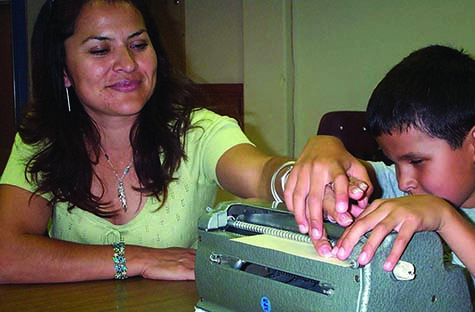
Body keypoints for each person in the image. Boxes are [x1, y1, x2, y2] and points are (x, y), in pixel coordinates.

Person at [0, 0, 357, 284]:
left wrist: (298, 175)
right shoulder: (40, 141)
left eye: (138, 44)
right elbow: (6, 255)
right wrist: (139, 258)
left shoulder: (198, 130)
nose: (127, 63)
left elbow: (261, 172)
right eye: (99, 50)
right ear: (63, 69)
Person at [286, 45, 475, 311]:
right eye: (391, 161)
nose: (404, 180)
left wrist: (446, 219)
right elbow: (328, 172)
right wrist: (325, 145)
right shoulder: (391, 186)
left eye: (416, 161)